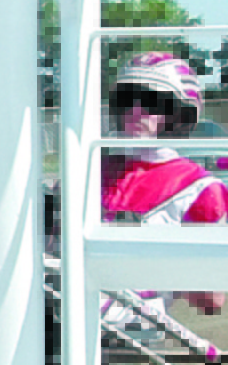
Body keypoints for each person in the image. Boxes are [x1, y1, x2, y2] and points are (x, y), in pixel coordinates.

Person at [101, 52, 227, 352]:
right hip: (56, 320)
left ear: (179, 114)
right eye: (127, 99)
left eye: (152, 101)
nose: (135, 111)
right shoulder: (83, 170)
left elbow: (211, 300)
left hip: (130, 339)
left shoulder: (201, 189)